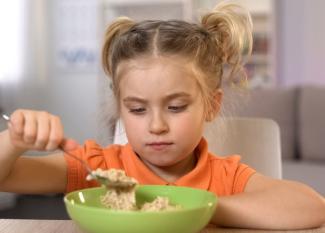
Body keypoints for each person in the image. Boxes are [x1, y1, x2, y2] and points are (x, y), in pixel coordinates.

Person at [0, 2, 324, 230]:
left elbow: (312, 207)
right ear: (120, 108)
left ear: (211, 105)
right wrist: (13, 141)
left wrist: (197, 210)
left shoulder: (224, 176)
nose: (156, 126)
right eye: (138, 109)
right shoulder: (98, 167)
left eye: (176, 107)